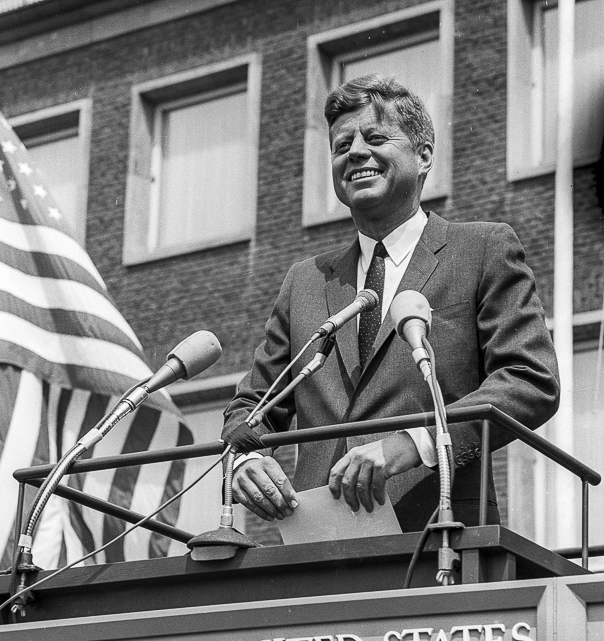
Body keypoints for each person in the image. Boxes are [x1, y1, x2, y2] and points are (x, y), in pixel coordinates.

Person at [222, 74, 560, 532]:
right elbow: (254, 402)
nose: (355, 152)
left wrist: (416, 442)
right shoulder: (305, 281)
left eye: (375, 138)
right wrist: (247, 457)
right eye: (341, 146)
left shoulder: (482, 249)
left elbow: (529, 379)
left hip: (440, 535)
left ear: (424, 156)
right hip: (317, 544)